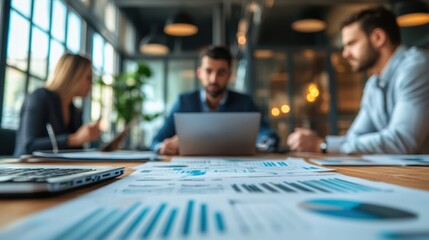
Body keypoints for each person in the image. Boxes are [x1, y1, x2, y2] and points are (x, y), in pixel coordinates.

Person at [287, 6, 429, 154]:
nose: (345, 54)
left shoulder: (417, 67)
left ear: (378, 38)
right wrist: (325, 144)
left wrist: (322, 144)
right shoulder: (373, 84)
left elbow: (401, 141)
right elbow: (354, 137)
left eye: (351, 43)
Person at [151, 46, 279, 155]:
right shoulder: (184, 101)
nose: (213, 79)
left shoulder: (244, 102)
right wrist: (165, 146)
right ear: (200, 73)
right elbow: (156, 141)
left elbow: (266, 133)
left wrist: (265, 141)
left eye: (221, 72)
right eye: (208, 71)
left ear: (229, 75)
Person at [14, 53, 101, 156]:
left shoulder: (74, 111)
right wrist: (74, 139)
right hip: (29, 168)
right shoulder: (39, 97)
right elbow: (28, 146)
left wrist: (104, 147)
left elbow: (77, 152)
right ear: (73, 76)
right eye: (88, 77)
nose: (91, 83)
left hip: (59, 168)